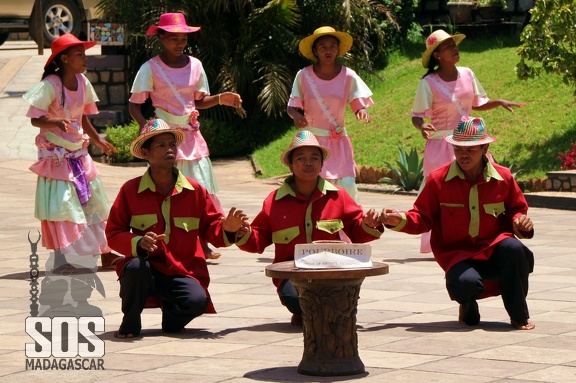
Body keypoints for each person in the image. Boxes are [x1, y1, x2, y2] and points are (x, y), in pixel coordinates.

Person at [380, 117, 535, 330]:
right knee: (464, 285)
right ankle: (467, 302)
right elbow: (422, 217)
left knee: (515, 249)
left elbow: (517, 210)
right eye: (458, 148)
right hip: (458, 255)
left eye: (471, 149)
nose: (464, 155)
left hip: (494, 250)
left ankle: (519, 315)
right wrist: (400, 220)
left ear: (484, 148)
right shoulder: (437, 180)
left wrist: (520, 222)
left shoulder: (504, 177)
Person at [105, 119, 248, 339]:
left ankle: (171, 318)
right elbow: (114, 233)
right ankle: (130, 321)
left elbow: (212, 230)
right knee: (134, 267)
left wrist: (228, 230)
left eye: (172, 144)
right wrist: (138, 242)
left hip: (182, 270)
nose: (169, 149)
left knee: (197, 302)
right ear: (146, 153)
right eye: (161, 145)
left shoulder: (196, 191)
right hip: (147, 269)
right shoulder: (130, 190)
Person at [236, 130, 383, 326]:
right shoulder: (274, 202)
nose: (308, 163)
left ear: (322, 163)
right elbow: (258, 240)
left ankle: (318, 314)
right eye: (301, 158)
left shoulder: (338, 196)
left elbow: (357, 229)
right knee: (297, 300)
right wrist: (241, 232)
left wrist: (368, 224)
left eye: (314, 158)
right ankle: (311, 312)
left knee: (336, 298)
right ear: (290, 163)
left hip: (331, 271)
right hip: (293, 275)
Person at [129, 12, 243, 260]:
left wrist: (222, 98)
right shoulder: (150, 68)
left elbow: (199, 101)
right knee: (171, 188)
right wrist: (145, 128)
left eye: (183, 38)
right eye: (173, 38)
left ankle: (204, 239)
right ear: (161, 37)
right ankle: (172, 238)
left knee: (200, 187)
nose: (179, 43)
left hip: (191, 135)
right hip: (165, 137)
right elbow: (135, 105)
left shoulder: (196, 65)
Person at [412, 29, 525, 253]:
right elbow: (417, 115)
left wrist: (499, 101)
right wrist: (421, 125)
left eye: (455, 45)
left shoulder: (467, 73)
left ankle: (482, 234)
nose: (455, 50)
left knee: (480, 184)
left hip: (470, 140)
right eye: (448, 47)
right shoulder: (428, 83)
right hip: (441, 143)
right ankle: (439, 241)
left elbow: (477, 103)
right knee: (441, 191)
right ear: (437, 55)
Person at [22, 33, 121, 270]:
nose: (85, 59)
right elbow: (36, 120)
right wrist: (54, 122)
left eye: (84, 54)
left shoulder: (82, 82)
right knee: (63, 208)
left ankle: (105, 252)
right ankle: (62, 258)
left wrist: (98, 140)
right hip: (58, 159)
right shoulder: (50, 85)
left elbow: (82, 117)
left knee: (94, 203)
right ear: (64, 58)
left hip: (79, 153)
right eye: (79, 55)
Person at [287, 26, 373, 203]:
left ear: (338, 50)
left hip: (339, 142)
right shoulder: (303, 76)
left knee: (346, 184)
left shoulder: (349, 75)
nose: (328, 50)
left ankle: (347, 227)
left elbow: (357, 103)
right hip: (312, 142)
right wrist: (297, 116)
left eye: (333, 46)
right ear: (315, 51)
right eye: (323, 47)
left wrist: (361, 111)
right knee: (316, 186)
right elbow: (291, 107)